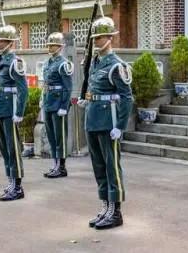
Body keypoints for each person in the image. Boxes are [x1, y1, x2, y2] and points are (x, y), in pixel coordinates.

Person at [78, 16, 133, 230]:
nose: (96, 40)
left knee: (112, 167)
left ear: (110, 38)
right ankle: (105, 205)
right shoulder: (95, 63)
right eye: (95, 37)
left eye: (100, 37)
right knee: (99, 166)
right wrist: (86, 100)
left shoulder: (117, 66)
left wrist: (120, 126)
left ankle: (116, 211)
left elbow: (127, 98)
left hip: (108, 123)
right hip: (93, 120)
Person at [0, 24, 28, 201]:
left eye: (1, 40)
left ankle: (18, 186)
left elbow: (23, 90)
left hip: (10, 110)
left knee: (13, 148)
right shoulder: (0, 61)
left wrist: (19, 112)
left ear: (10, 42)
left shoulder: (15, 62)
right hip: (0, 109)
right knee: (5, 148)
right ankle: (11, 181)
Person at [42, 32, 73, 179]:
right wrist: (43, 99)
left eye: (53, 45)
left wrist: (64, 106)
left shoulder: (64, 64)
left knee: (60, 136)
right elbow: (46, 84)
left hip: (58, 103)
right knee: (51, 136)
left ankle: (61, 167)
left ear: (60, 47)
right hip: (48, 102)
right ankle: (54, 164)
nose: (50, 47)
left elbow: (67, 87)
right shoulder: (49, 62)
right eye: (49, 44)